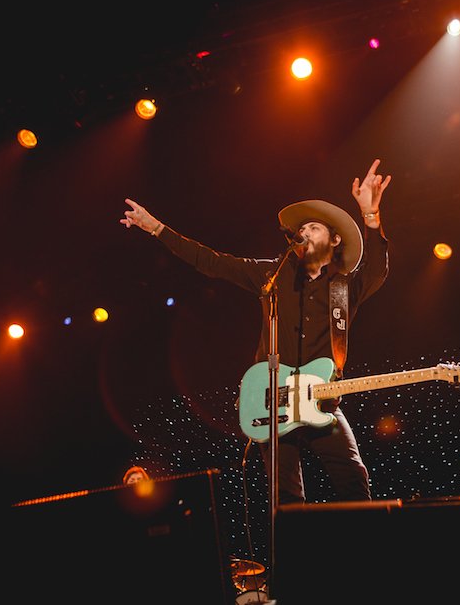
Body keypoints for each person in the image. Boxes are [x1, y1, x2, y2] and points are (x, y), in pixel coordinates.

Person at [120, 159, 391, 504]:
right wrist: (157, 228)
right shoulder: (271, 276)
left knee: (353, 477)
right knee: (287, 495)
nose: (305, 233)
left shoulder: (345, 287)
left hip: (322, 401)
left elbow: (378, 270)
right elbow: (212, 262)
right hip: (271, 400)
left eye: (314, 228)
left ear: (335, 239)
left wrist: (370, 215)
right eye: (302, 229)